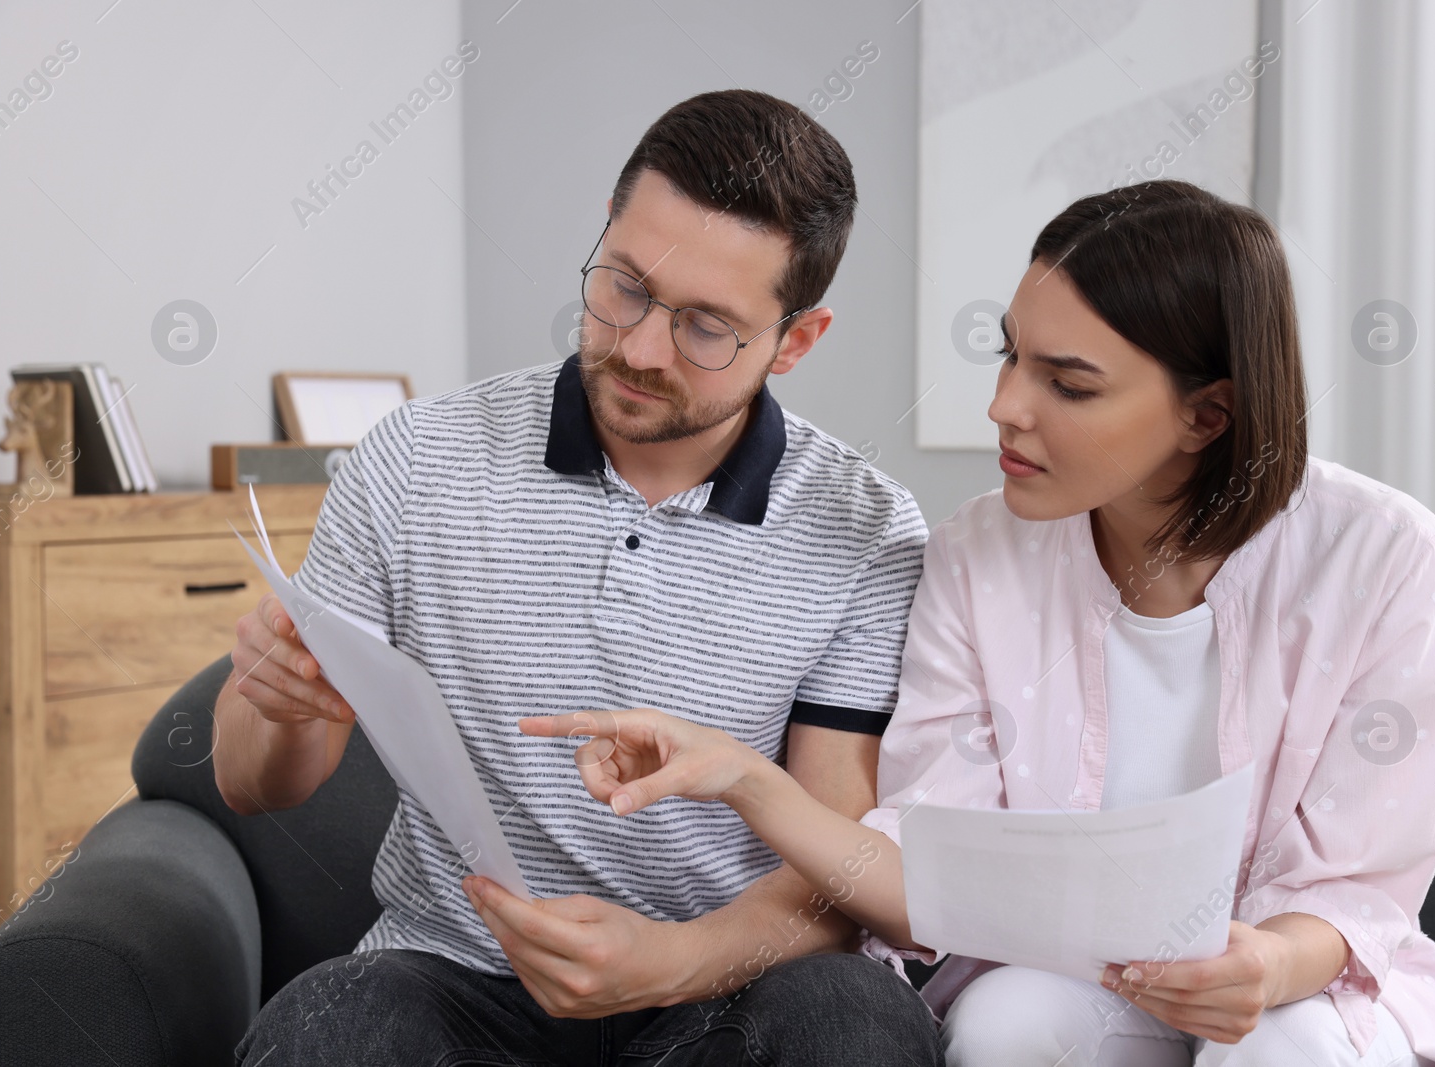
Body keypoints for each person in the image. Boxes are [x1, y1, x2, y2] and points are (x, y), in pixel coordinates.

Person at [520, 181, 1435, 1066]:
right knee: (1007, 1022)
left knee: (1289, 1041)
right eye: (1011, 357)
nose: (1004, 406)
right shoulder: (975, 553)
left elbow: (1355, 886)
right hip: (1074, 977)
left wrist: (1264, 963)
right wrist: (744, 775)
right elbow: (933, 869)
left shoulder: (1385, 556)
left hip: (1294, 981)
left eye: (1067, 382)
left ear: (1206, 416)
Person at [220, 88, 943, 1066]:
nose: (640, 348)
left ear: (796, 339)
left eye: (706, 327)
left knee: (855, 1023)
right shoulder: (412, 457)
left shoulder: (867, 527)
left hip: (725, 985)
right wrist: (276, 701)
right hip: (457, 977)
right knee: (328, 1026)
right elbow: (255, 782)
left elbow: (835, 868)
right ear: (603, 235)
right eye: (625, 286)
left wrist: (669, 960)